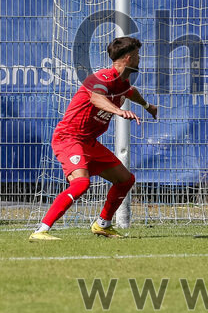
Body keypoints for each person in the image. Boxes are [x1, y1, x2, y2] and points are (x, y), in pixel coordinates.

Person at [30, 37, 158, 241]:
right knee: (81, 184)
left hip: (88, 142)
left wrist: (147, 106)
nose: (139, 59)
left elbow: (131, 93)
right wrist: (118, 111)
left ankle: (102, 225)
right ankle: (41, 231)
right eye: (137, 55)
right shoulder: (101, 78)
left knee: (125, 180)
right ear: (128, 57)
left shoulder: (123, 82)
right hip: (69, 138)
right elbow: (96, 98)